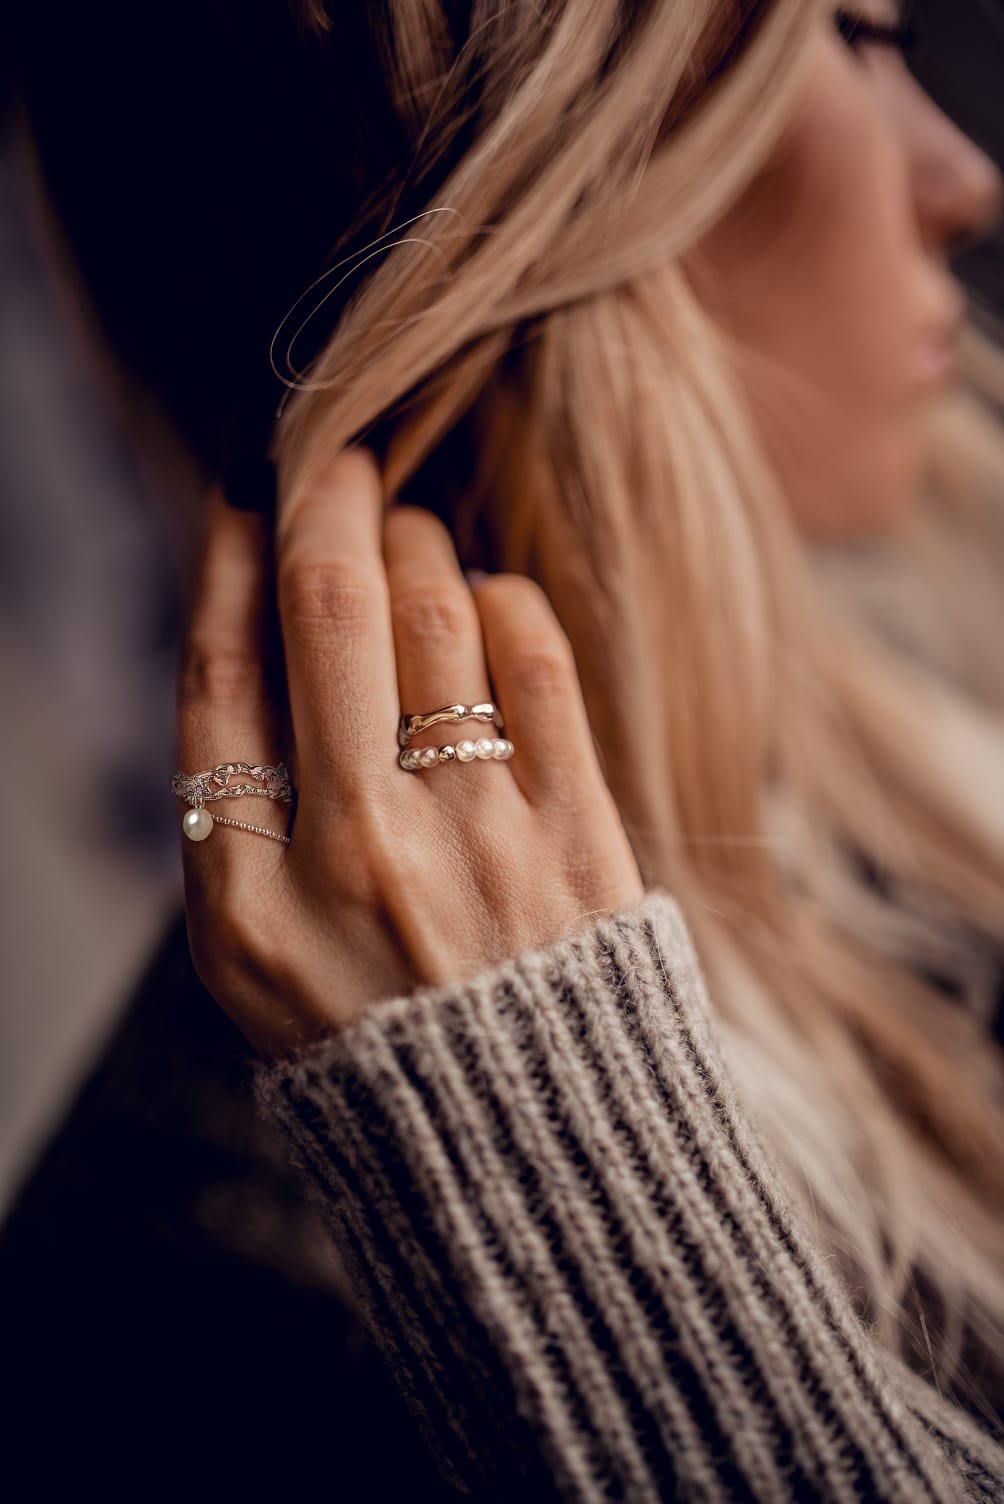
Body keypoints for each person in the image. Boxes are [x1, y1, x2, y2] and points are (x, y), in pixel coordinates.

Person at [5, 0, 1004, 1497]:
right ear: (545, 211)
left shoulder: (918, 714)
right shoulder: (209, 1297)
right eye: (858, 37)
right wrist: (557, 1192)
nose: (964, 176)